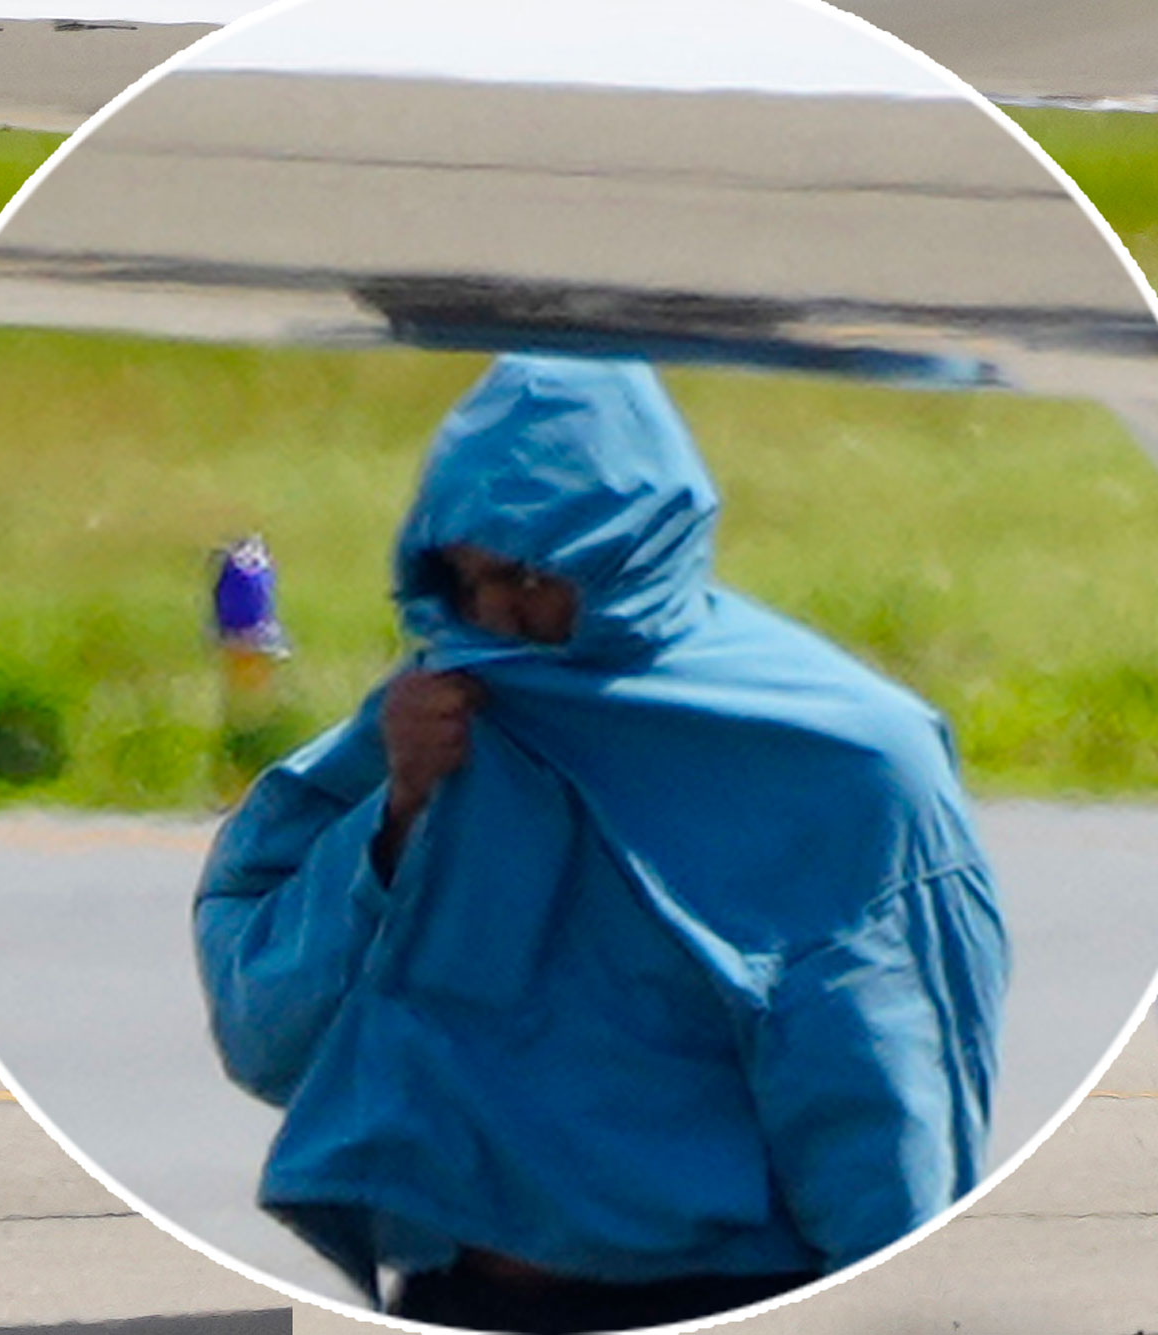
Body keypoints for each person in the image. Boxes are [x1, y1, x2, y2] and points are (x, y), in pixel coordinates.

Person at [194, 355, 1007, 1332]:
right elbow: (266, 1030)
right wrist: (398, 816)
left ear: (627, 551)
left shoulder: (833, 758)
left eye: (530, 580)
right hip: (462, 1295)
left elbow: (887, 1093)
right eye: (468, 580)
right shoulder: (444, 721)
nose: (497, 617)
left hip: (720, 1297)